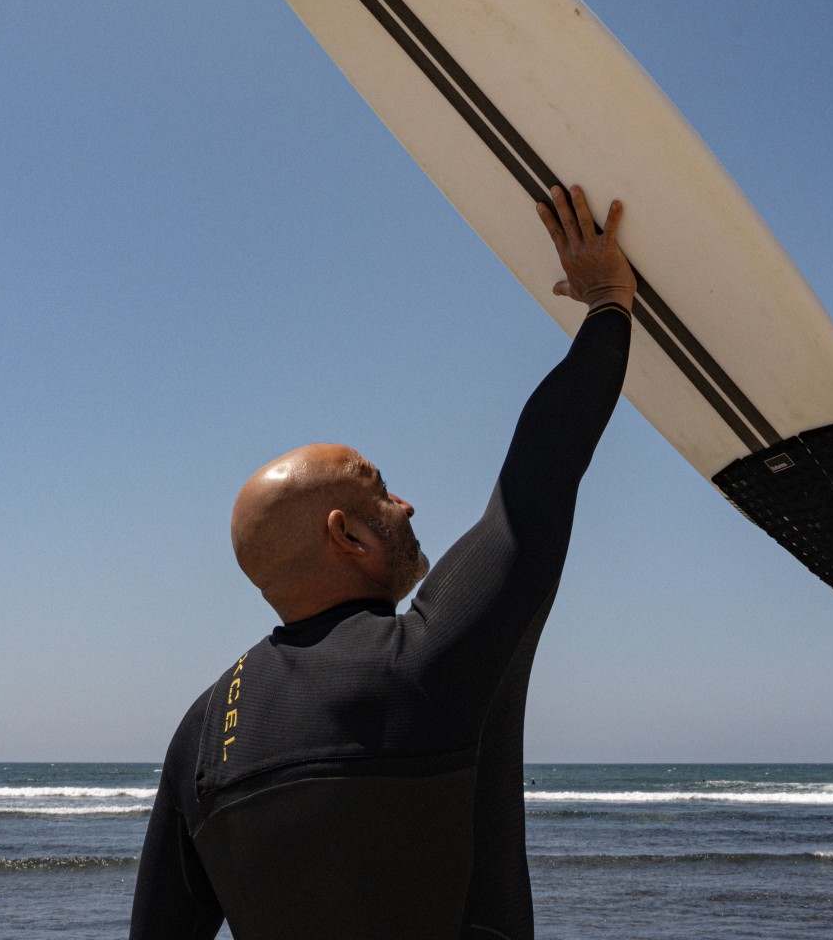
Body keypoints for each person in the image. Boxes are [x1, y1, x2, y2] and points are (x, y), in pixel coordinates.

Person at [130, 185, 636, 940]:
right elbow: (540, 474)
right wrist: (608, 305)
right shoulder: (420, 661)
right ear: (349, 537)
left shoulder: (202, 736)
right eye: (382, 491)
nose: (407, 505)